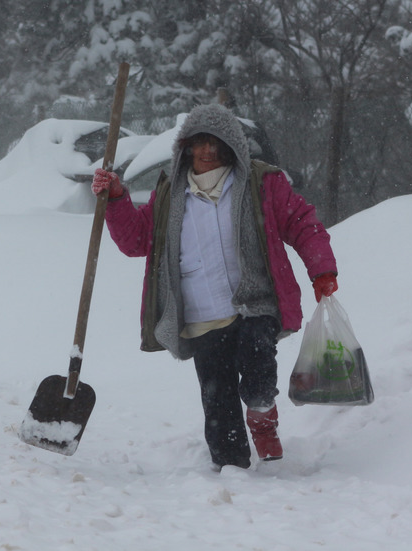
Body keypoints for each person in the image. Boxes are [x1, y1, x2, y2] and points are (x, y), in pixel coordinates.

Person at [91, 103, 338, 470]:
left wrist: (321, 270)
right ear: (187, 147)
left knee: (257, 375)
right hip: (202, 315)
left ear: (232, 147)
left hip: (253, 304)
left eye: (217, 143)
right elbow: (136, 240)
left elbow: (301, 222)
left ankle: (263, 417)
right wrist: (115, 198)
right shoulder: (171, 194)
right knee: (218, 402)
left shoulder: (259, 183)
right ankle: (231, 470)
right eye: (200, 142)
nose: (208, 151)